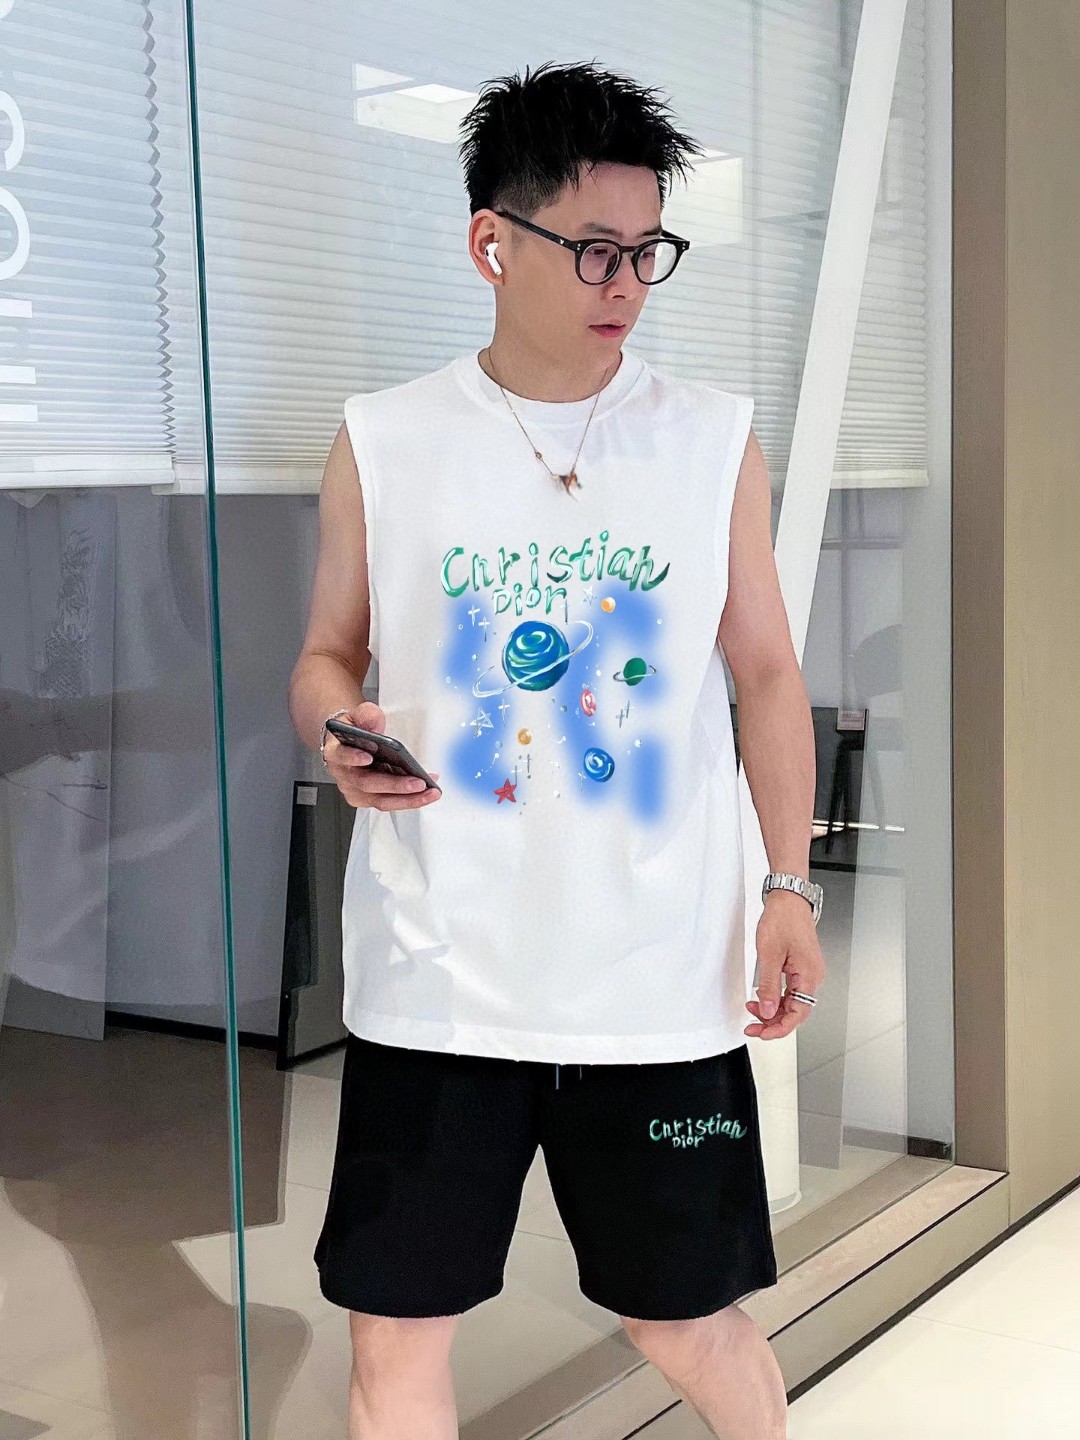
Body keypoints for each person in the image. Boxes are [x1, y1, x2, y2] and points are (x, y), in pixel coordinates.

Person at [288, 59, 827, 1440]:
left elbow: (767, 672)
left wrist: (788, 885)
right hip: (438, 977)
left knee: (686, 1318)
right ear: (493, 242)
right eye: (594, 248)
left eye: (648, 250)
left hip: (656, 979)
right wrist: (337, 732)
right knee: (398, 1339)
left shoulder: (709, 440)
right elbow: (328, 655)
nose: (627, 282)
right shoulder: (386, 440)